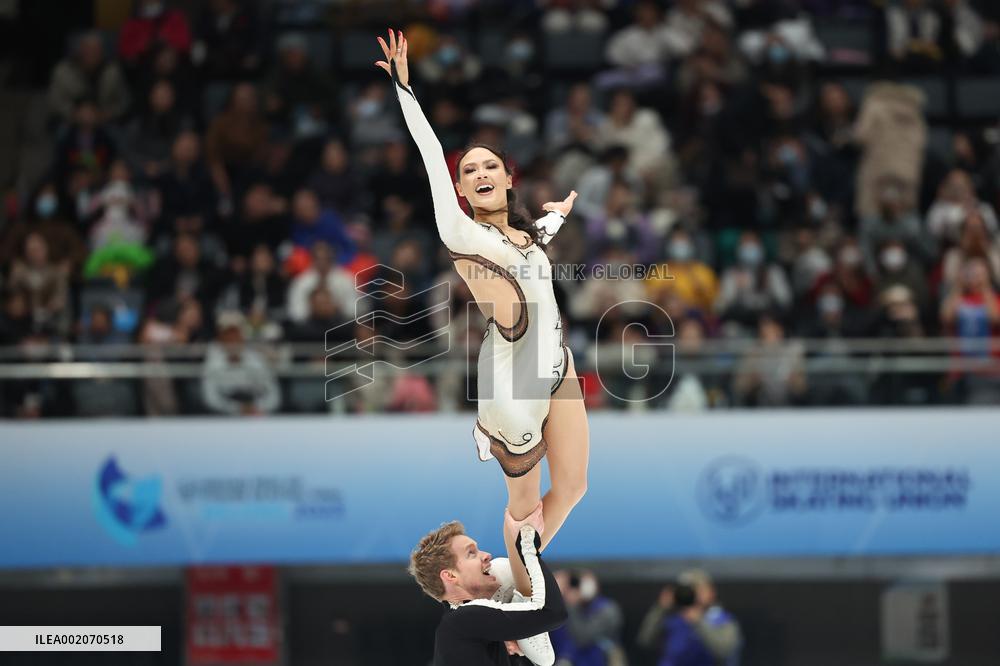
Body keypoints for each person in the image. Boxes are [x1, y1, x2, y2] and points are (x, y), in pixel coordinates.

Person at [376, 28, 589, 599]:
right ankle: (518, 602)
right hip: (512, 379)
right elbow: (429, 154)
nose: (481, 174)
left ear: (509, 178)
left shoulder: (523, 234)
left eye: (490, 165)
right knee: (523, 509)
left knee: (573, 487)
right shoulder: (460, 230)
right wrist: (404, 90)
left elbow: (535, 241)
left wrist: (559, 214)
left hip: (556, 364)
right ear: (461, 190)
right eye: (469, 171)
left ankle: (515, 579)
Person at [408, 504, 567, 665]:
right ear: (450, 575)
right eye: (471, 553)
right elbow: (553, 612)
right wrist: (527, 543)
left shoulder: (462, 628)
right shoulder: (464, 621)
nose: (487, 555)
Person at [637, 570, 742, 666]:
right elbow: (645, 640)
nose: (693, 594)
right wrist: (660, 609)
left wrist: (699, 621)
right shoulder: (671, 618)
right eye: (688, 590)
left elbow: (725, 650)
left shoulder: (721, 619)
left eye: (697, 589)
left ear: (711, 592)